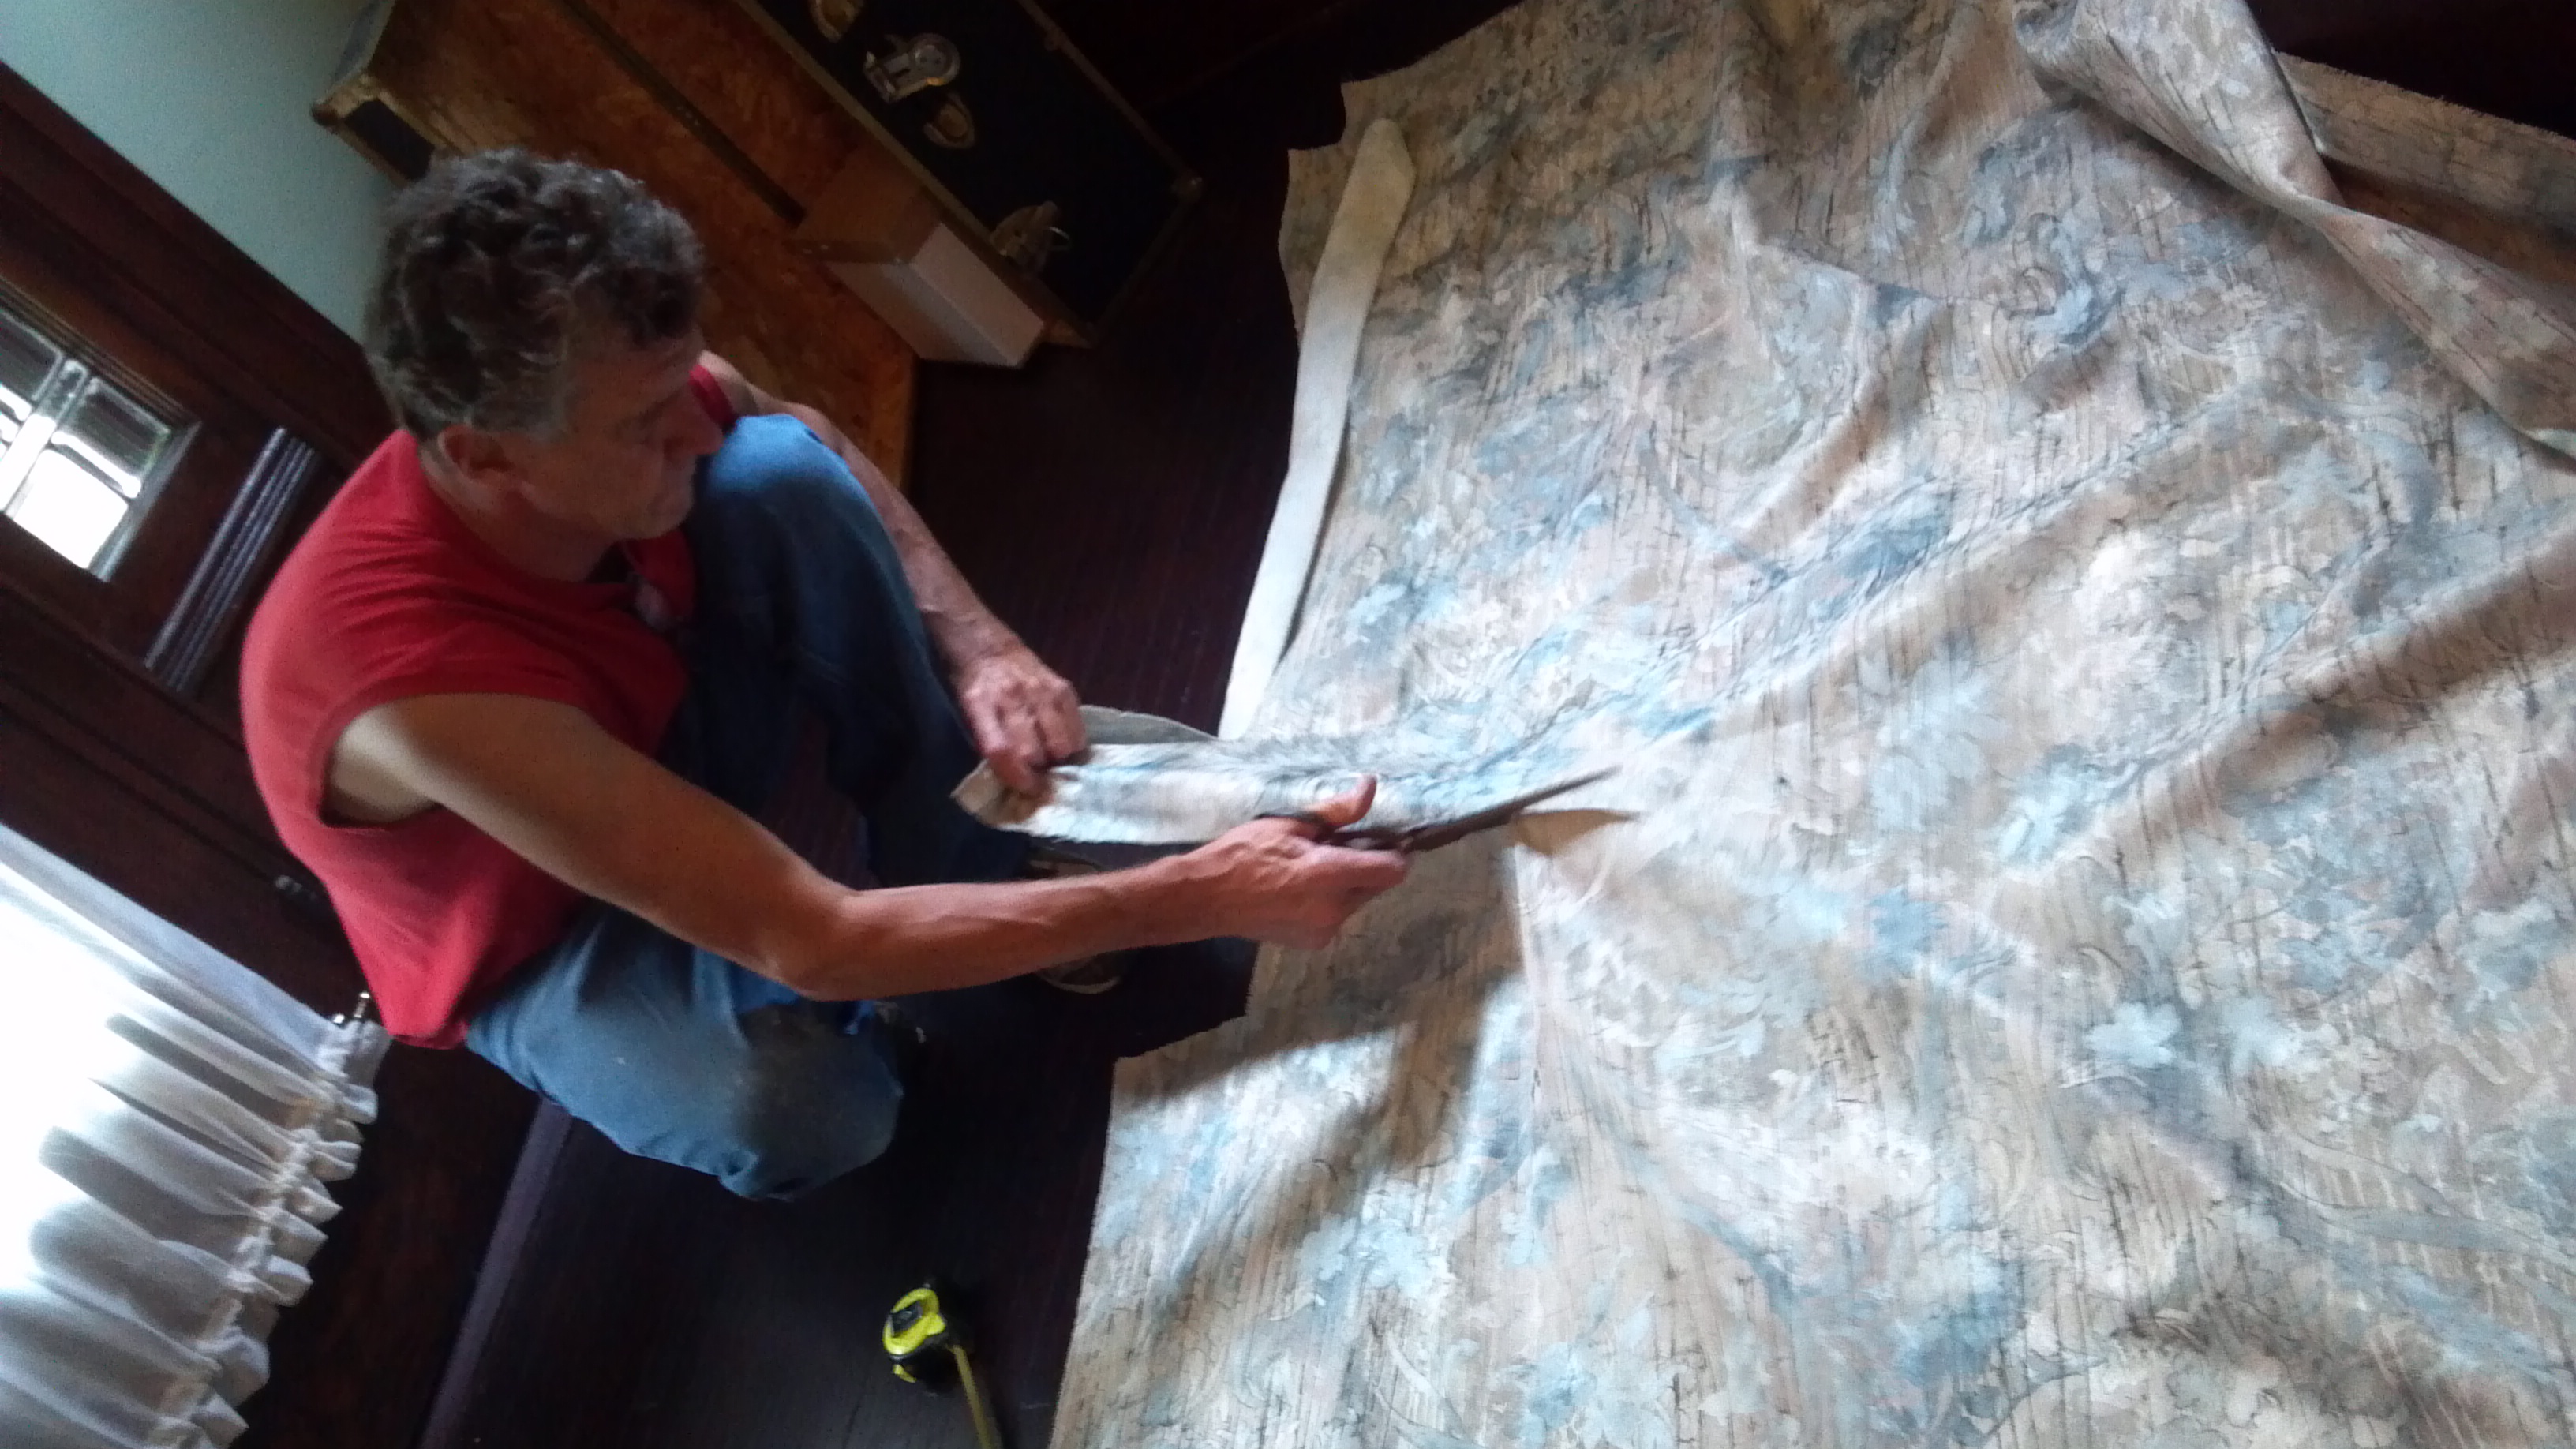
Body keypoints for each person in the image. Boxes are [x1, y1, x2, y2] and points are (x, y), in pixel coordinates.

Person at [240, 151, 1407, 1199]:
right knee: (796, 1107)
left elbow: (802, 431)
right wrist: (1195, 896)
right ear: (483, 457)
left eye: (681, 381)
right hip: (539, 934)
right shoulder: (411, 687)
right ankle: (893, 990)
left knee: (777, 471)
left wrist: (982, 645)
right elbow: (812, 939)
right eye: (647, 425)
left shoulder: (604, 390)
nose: (695, 427)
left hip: (646, 730)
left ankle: (973, 841)